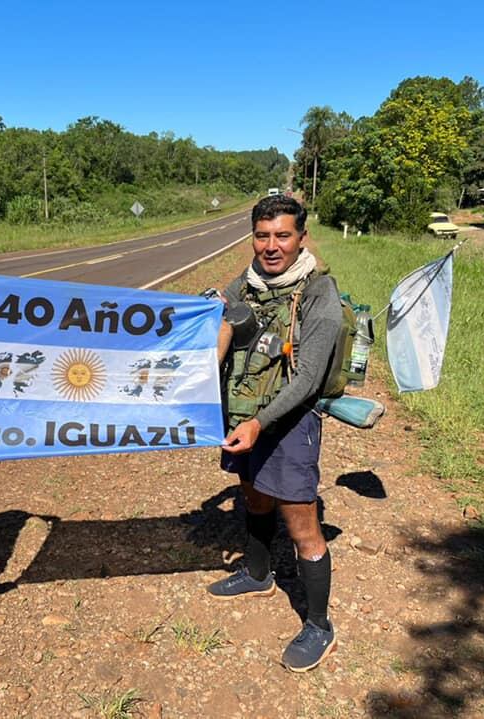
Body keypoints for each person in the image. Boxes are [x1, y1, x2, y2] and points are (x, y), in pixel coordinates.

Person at [207, 195, 342, 672]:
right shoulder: (242, 285)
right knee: (254, 496)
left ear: (301, 238)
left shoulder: (319, 293)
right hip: (243, 416)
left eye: (282, 236)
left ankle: (319, 625)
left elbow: (306, 378)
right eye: (262, 236)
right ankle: (259, 573)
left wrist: (259, 423)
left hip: (287, 423)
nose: (271, 246)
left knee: (302, 527)